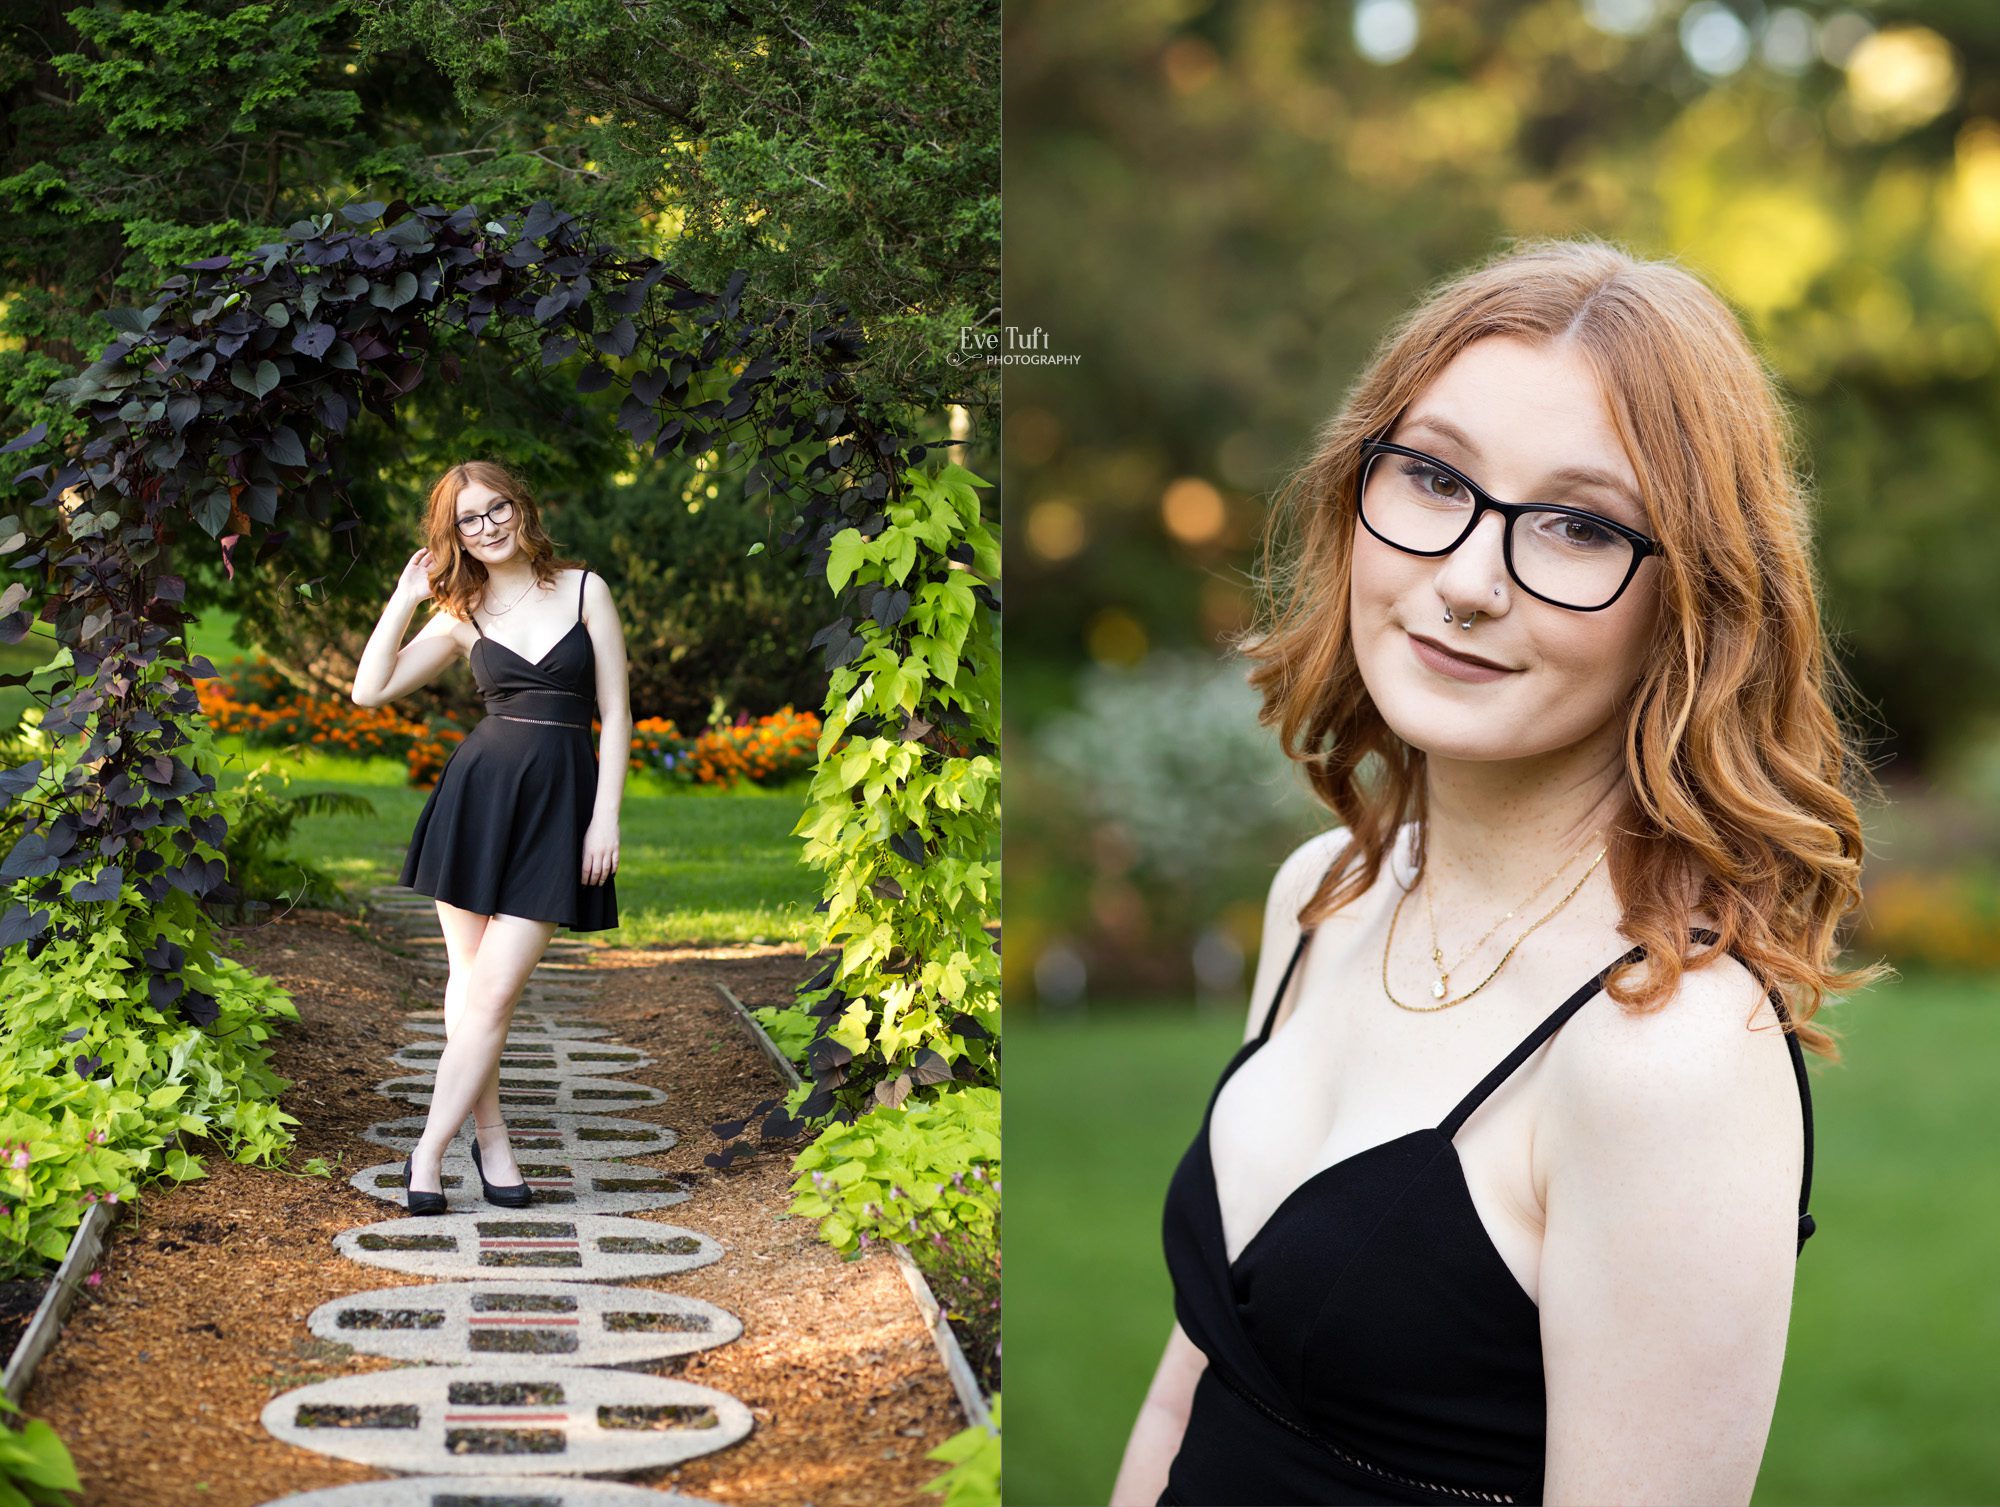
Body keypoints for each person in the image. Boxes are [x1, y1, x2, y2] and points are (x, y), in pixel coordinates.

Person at [1113, 238, 1885, 1507]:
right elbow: (1185, 1386)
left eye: (1579, 526)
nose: (1465, 581)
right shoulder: (1327, 895)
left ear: (1693, 603)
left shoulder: (1663, 1051)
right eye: (1430, 476)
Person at [350, 460, 630, 1214]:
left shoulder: (584, 589)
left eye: (495, 508)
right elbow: (367, 689)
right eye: (467, 520)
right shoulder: (459, 614)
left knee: (493, 991)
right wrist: (406, 598)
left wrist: (605, 816)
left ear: (520, 506)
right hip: (476, 800)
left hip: (559, 806)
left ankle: (426, 1150)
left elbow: (617, 713)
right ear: (454, 536)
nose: (487, 527)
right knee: (472, 989)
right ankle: (492, 1140)